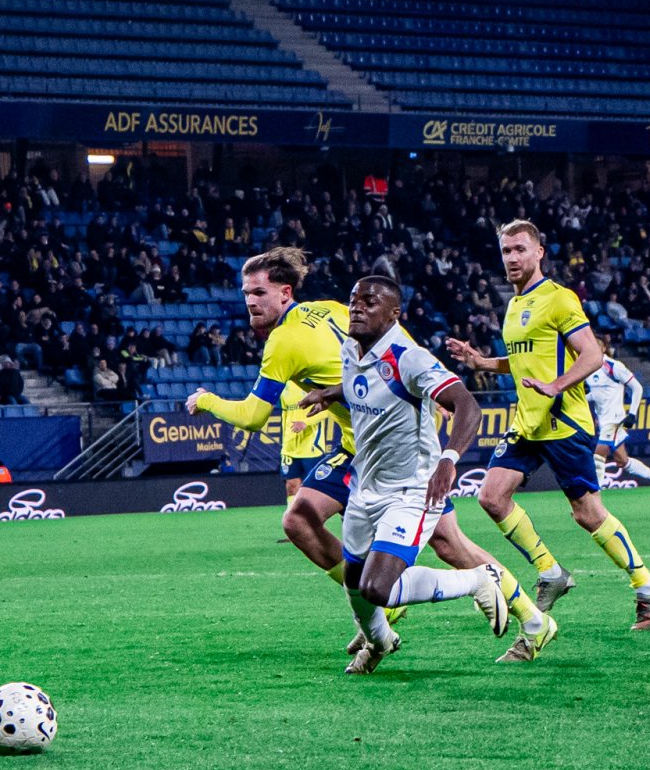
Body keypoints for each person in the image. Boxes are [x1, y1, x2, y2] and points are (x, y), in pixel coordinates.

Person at [187, 246, 556, 661]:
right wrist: (339, 391)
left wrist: (206, 400)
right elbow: (379, 356)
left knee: (449, 545)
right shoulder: (330, 309)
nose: (251, 302)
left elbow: (254, 417)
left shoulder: (284, 340)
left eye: (259, 292)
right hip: (358, 449)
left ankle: (530, 619)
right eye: (246, 293)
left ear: (285, 293)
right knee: (299, 518)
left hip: (399, 454)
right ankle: (381, 615)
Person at [447, 219, 650, 632]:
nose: (512, 258)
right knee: (491, 497)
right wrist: (482, 362)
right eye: (506, 251)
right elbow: (523, 362)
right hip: (528, 423)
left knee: (588, 514)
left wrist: (556, 385)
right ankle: (551, 572)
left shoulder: (559, 298)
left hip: (564, 422)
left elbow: (592, 355)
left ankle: (647, 586)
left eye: (520, 249)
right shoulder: (514, 306)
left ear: (539, 253)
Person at [301, 275, 509, 675]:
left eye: (369, 301)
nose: (357, 307)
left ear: (394, 313)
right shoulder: (351, 349)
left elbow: (467, 404)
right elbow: (362, 383)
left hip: (412, 489)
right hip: (366, 484)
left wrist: (449, 459)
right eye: (353, 299)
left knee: (378, 588)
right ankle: (381, 642)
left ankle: (479, 580)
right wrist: (329, 393)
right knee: (353, 581)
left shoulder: (410, 357)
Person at [585, 340, 650, 500]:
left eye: (597, 345)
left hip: (615, 419)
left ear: (603, 348)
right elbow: (597, 394)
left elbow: (637, 387)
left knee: (598, 456)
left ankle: (593, 501)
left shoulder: (614, 366)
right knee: (622, 461)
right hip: (604, 420)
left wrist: (632, 413)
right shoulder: (588, 369)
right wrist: (583, 399)